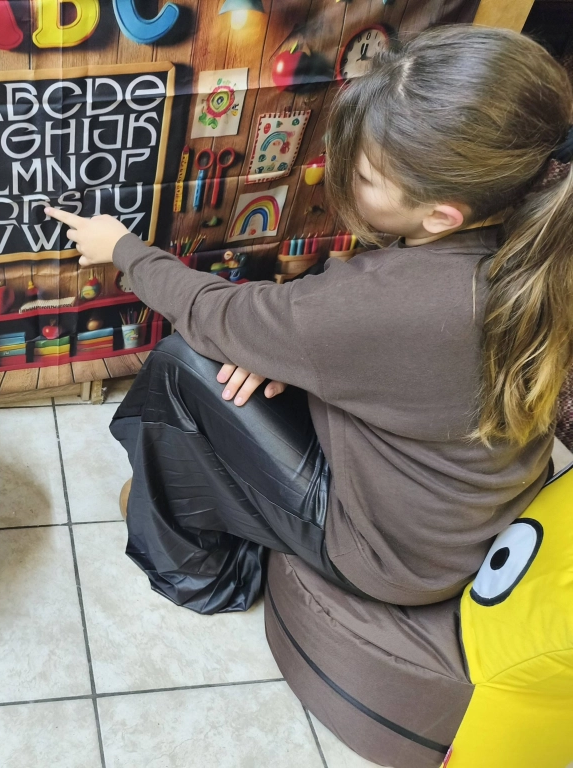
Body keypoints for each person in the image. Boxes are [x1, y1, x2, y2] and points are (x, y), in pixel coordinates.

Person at [45, 25, 572, 611]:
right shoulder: (536, 235)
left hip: (394, 555)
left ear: (442, 216)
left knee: (183, 362)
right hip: (461, 516)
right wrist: (283, 351)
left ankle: (201, 572)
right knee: (237, 363)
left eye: (368, 178)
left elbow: (212, 312)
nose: (348, 178)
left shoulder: (395, 302)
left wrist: (123, 249)